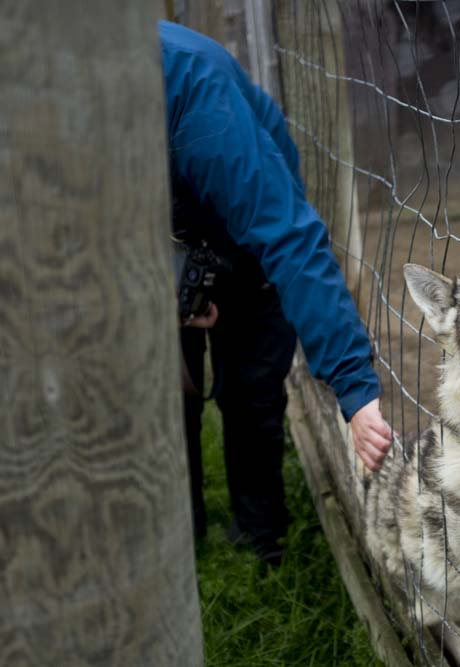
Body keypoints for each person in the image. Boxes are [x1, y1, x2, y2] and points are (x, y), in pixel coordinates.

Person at [159, 20, 391, 566]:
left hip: (252, 247)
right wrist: (156, 293)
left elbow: (289, 240)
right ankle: (178, 543)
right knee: (164, 393)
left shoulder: (194, 97)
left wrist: (355, 391)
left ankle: (261, 546)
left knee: (251, 394)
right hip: (158, 240)